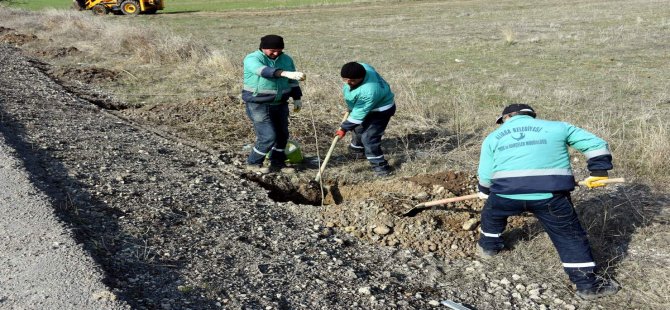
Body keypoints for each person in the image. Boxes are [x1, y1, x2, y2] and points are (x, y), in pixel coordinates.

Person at [476, 103, 619, 300]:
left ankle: (489, 247)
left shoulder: (493, 137)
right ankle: (587, 286)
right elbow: (595, 144)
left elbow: (485, 172)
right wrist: (599, 172)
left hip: (505, 194)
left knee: (491, 214)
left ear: (506, 117)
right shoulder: (558, 127)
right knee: (568, 236)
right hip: (550, 196)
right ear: (531, 116)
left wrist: (485, 192)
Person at [242, 35, 305, 173]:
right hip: (258, 103)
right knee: (268, 136)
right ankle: (253, 163)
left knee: (282, 135)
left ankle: (277, 162)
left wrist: (297, 97)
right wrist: (284, 73)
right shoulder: (252, 59)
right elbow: (263, 71)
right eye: (272, 50)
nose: (276, 53)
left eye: (279, 50)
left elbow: (293, 81)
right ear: (263, 48)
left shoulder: (286, 59)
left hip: (280, 103)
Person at [336, 62, 396, 176]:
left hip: (381, 111)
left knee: (369, 138)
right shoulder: (363, 67)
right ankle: (357, 152)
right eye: (345, 79)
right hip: (367, 106)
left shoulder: (369, 91)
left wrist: (343, 129)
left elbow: (358, 115)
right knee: (358, 128)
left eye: (352, 80)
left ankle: (381, 167)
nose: (348, 82)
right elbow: (358, 114)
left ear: (361, 77)